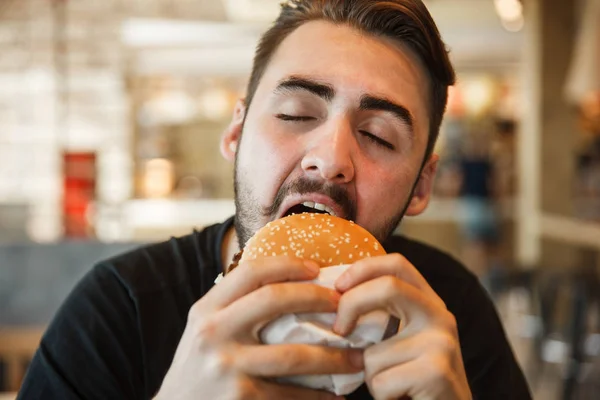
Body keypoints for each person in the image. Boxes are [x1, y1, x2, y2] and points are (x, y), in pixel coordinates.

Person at [18, 1, 532, 399]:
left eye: (377, 135)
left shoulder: (449, 313)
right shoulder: (118, 311)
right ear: (236, 135)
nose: (331, 158)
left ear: (421, 184)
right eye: (294, 114)